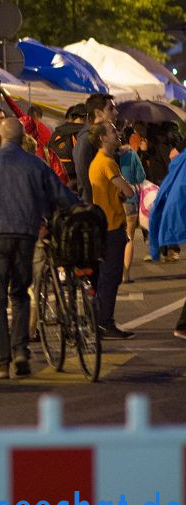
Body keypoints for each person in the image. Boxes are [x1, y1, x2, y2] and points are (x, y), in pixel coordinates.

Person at [0, 118, 77, 379]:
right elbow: (61, 195)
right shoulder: (35, 164)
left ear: (0, 135)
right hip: (25, 235)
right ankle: (20, 352)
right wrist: (79, 207)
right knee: (19, 294)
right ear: (22, 137)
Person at [87, 123, 136, 339]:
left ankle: (100, 321)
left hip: (103, 225)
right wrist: (127, 191)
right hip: (111, 227)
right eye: (113, 131)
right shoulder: (107, 163)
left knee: (106, 278)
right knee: (110, 278)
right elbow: (128, 189)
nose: (117, 134)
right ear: (103, 139)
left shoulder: (97, 162)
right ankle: (105, 322)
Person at [73, 93, 118, 203]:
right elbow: (85, 181)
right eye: (110, 109)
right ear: (98, 113)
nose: (116, 113)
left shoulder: (103, 136)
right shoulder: (86, 140)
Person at [118, 130, 147, 284]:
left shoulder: (109, 156)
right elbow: (141, 176)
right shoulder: (132, 155)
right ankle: (125, 275)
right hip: (130, 201)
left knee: (113, 238)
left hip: (114, 202)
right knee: (129, 237)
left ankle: (114, 272)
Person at [49, 105, 87, 188]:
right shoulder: (82, 133)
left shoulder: (57, 132)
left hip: (56, 177)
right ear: (84, 117)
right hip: (76, 180)